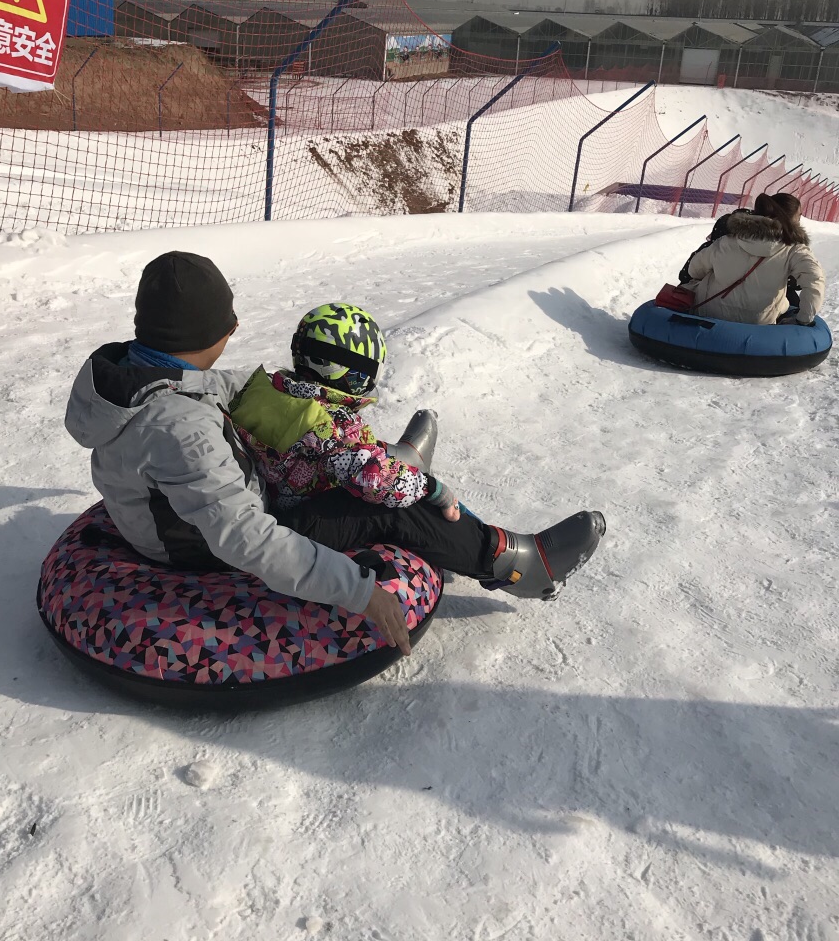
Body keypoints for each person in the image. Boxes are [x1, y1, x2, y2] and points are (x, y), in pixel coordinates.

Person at [64, 253, 605, 658]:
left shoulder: (136, 375)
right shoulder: (181, 431)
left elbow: (226, 387)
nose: (235, 331)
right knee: (386, 507)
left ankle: (385, 465)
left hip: (194, 512)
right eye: (229, 324)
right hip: (199, 549)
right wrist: (359, 591)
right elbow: (244, 538)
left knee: (327, 452)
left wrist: (285, 396)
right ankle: (515, 562)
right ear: (214, 331)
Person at [228, 303, 461, 520]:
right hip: (313, 519)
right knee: (408, 516)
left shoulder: (265, 391)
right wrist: (431, 488)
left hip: (272, 500)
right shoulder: (332, 421)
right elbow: (372, 476)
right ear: (345, 368)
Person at [679, 192, 825, 325]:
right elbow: (815, 279)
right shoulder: (794, 249)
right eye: (799, 215)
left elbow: (694, 270)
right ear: (791, 218)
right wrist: (803, 319)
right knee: (788, 298)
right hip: (759, 323)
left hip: (710, 313)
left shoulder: (727, 240)